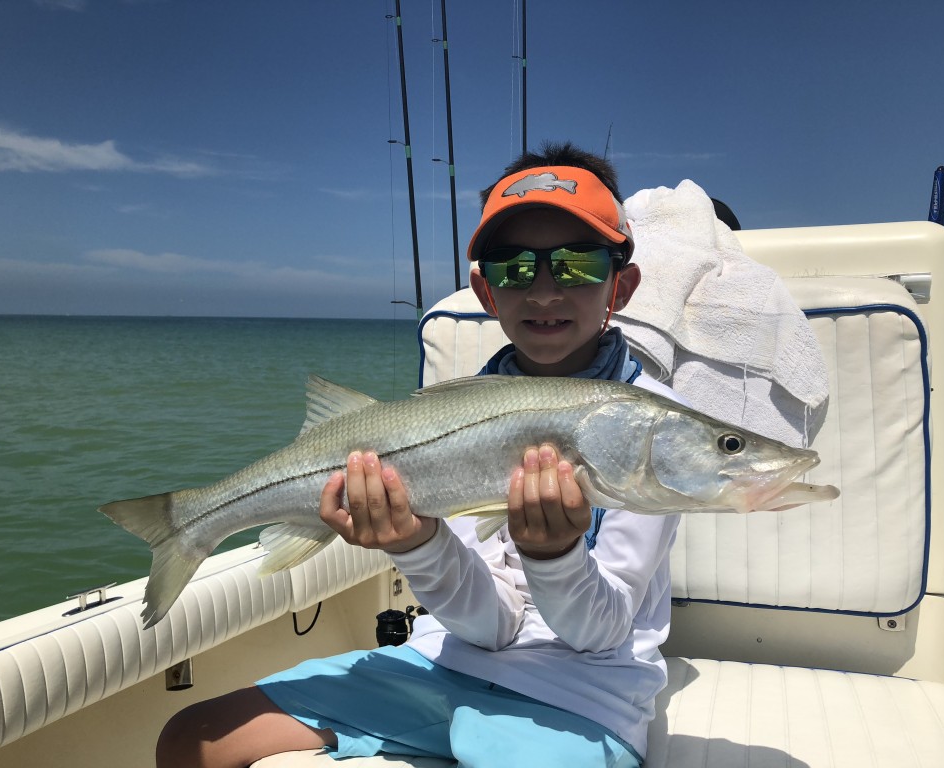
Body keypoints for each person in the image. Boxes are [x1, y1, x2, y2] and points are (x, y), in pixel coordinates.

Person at [155, 141, 684, 768]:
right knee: (193, 739)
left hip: (580, 695)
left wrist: (555, 555)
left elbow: (600, 634)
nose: (543, 290)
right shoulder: (451, 414)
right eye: (515, 268)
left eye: (574, 264)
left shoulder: (647, 421)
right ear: (487, 292)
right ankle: (192, 523)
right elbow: (489, 626)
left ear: (620, 285)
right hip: (441, 661)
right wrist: (416, 542)